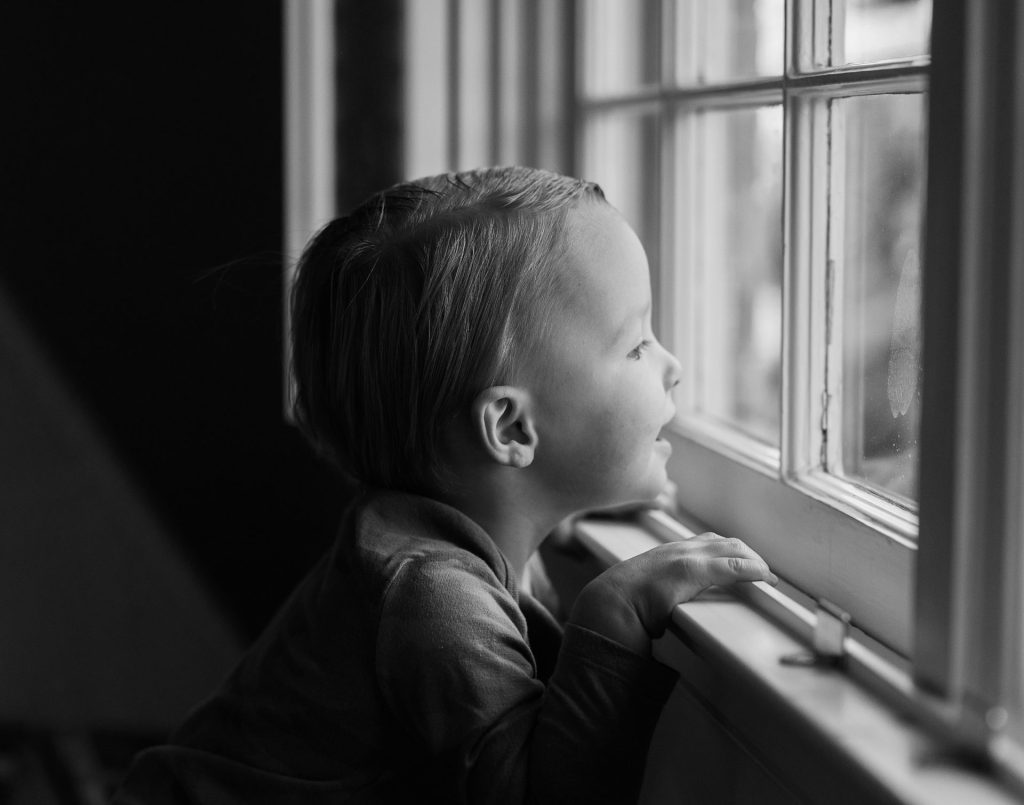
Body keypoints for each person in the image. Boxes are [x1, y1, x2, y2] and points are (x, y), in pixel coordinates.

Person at [114, 166, 776, 804]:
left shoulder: (453, 528)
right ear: (511, 429)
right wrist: (612, 618)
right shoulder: (432, 598)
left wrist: (559, 502)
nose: (675, 364)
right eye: (636, 345)